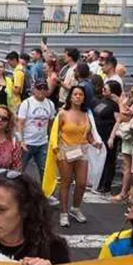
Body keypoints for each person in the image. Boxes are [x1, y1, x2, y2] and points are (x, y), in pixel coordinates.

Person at [55, 86, 102, 227]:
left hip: (82, 150)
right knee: (66, 182)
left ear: (84, 97)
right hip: (65, 150)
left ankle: (75, 209)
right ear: (70, 97)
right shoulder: (62, 113)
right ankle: (63, 213)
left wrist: (95, 143)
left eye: (80, 94)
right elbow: (54, 133)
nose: (77, 97)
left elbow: (88, 135)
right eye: (75, 94)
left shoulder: (87, 114)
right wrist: (55, 149)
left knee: (81, 183)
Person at [17, 79, 56, 183]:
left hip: (42, 142)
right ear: (34, 89)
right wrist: (21, 141)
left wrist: (51, 141)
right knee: (19, 170)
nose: (41, 91)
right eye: (39, 88)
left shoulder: (50, 104)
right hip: (27, 143)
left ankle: (45, 193)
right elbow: (20, 123)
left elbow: (51, 124)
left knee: (44, 170)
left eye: (44, 88)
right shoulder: (27, 103)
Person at [93, 80, 122, 195]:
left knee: (108, 161)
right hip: (99, 134)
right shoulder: (102, 100)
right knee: (100, 159)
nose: (103, 90)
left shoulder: (115, 104)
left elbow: (118, 121)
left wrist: (112, 137)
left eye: (106, 89)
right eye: (103, 88)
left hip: (109, 134)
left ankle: (106, 185)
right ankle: (99, 183)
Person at [0, 105, 22, 170]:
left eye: (4, 118)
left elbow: (17, 168)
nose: (0, 120)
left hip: (2, 178)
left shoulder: (14, 143)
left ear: (9, 122)